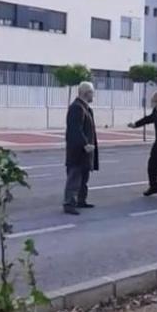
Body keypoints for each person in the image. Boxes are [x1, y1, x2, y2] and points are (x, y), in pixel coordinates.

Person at [63, 82, 99, 215]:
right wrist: (85, 144)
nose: (93, 95)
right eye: (92, 93)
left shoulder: (86, 108)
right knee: (74, 177)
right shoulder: (76, 108)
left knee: (84, 177)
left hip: (86, 151)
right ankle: (69, 203)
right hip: (78, 151)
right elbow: (75, 129)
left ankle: (81, 200)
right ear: (86, 93)